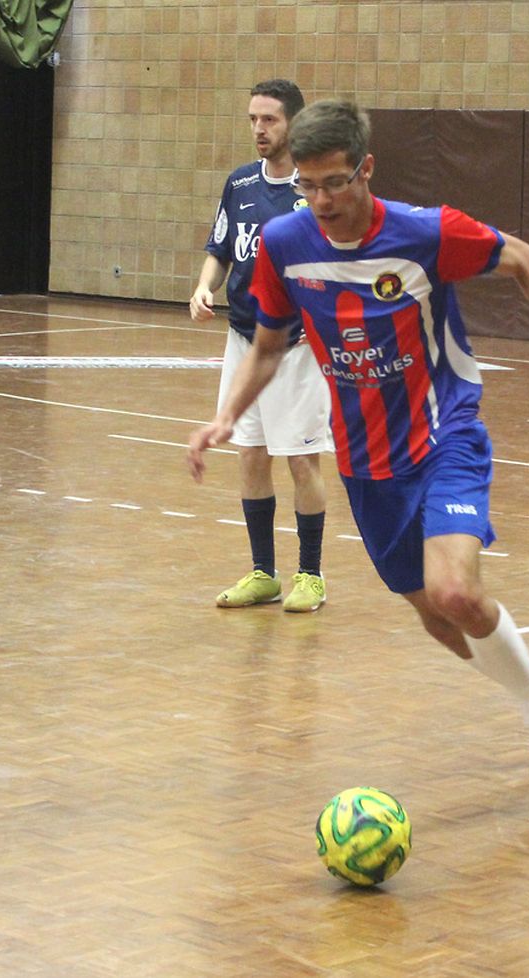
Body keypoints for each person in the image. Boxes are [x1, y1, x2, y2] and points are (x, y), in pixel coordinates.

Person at [187, 100, 529, 778]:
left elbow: (525, 260)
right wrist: (228, 416)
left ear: (366, 168)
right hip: (366, 462)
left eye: (335, 182)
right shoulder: (288, 244)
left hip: (444, 434)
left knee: (456, 592)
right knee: (437, 618)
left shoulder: (425, 233)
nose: (320, 200)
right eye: (308, 187)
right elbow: (268, 345)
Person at [190, 80, 331, 613]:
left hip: (294, 346)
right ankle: (262, 573)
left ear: (292, 123)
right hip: (243, 338)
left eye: (269, 120)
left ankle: (311, 575)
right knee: (251, 454)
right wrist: (205, 286)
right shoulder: (240, 182)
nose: (259, 129)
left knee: (300, 459)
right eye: (253, 119)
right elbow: (221, 248)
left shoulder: (314, 189)